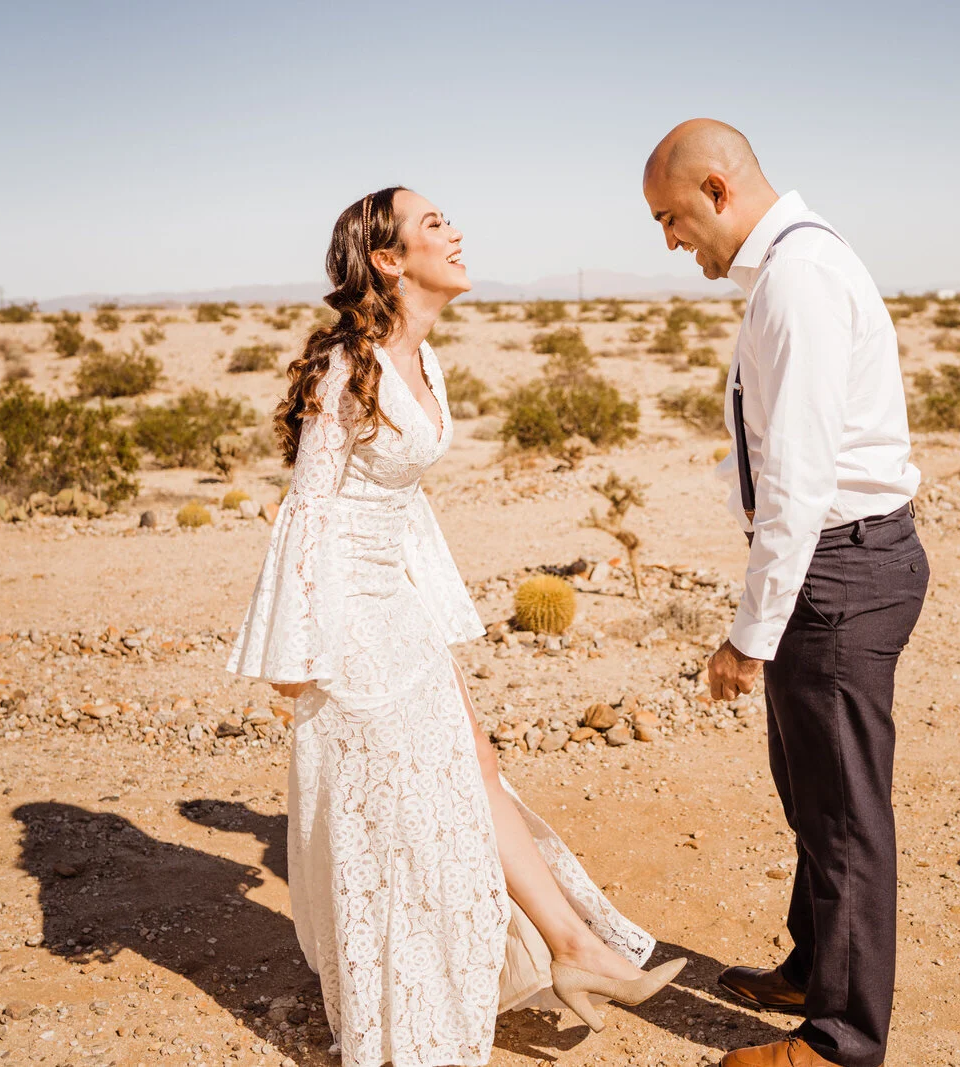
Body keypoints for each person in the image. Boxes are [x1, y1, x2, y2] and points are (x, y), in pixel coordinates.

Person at [225, 187, 684, 1067]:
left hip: (400, 608)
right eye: (434, 223)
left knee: (477, 768)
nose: (456, 231)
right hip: (350, 633)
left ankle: (577, 950)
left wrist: (436, 617)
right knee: (401, 815)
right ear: (390, 260)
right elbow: (310, 511)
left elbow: (402, 502)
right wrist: (298, 650)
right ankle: (411, 1013)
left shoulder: (424, 365)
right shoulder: (344, 370)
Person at [642, 121, 929, 1067]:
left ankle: (842, 1041)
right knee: (810, 786)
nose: (673, 242)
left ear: (717, 190)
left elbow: (801, 478)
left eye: (673, 218)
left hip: (839, 570)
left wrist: (749, 635)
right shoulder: (788, 272)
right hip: (830, 565)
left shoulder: (799, 280)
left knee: (844, 811)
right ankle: (815, 963)